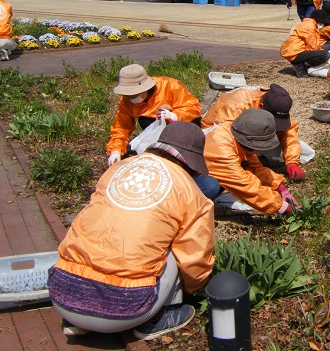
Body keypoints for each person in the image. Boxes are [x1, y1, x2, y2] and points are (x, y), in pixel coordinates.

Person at [48, 122, 215, 341]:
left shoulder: (119, 168)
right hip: (126, 309)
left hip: (62, 295)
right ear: (191, 162)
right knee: (176, 248)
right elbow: (195, 260)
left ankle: (77, 320)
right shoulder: (191, 193)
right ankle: (162, 317)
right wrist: (195, 287)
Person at [203, 108, 300, 214]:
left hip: (200, 167)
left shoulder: (237, 134)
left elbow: (255, 168)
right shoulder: (222, 152)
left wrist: (278, 185)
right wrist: (280, 206)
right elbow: (246, 186)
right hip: (185, 176)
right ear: (251, 144)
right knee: (210, 186)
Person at [201, 84, 306, 181]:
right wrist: (257, 167)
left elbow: (289, 132)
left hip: (251, 134)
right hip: (214, 138)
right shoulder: (236, 107)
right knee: (239, 168)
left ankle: (261, 158)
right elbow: (234, 141)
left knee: (306, 151)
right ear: (261, 106)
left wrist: (292, 161)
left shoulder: (275, 100)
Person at [107, 64, 202, 166]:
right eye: (127, 95)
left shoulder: (169, 86)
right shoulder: (126, 101)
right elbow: (121, 127)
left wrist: (175, 115)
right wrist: (115, 151)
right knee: (145, 120)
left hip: (184, 130)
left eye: (134, 95)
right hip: (159, 136)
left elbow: (194, 108)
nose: (130, 98)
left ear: (145, 88)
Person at [280, 6, 330, 78]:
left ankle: (301, 64)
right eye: (322, 23)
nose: (322, 25)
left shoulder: (305, 24)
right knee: (324, 55)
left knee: (322, 52)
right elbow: (313, 46)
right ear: (318, 21)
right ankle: (301, 65)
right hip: (295, 53)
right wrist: (321, 51)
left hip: (292, 51)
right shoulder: (310, 27)